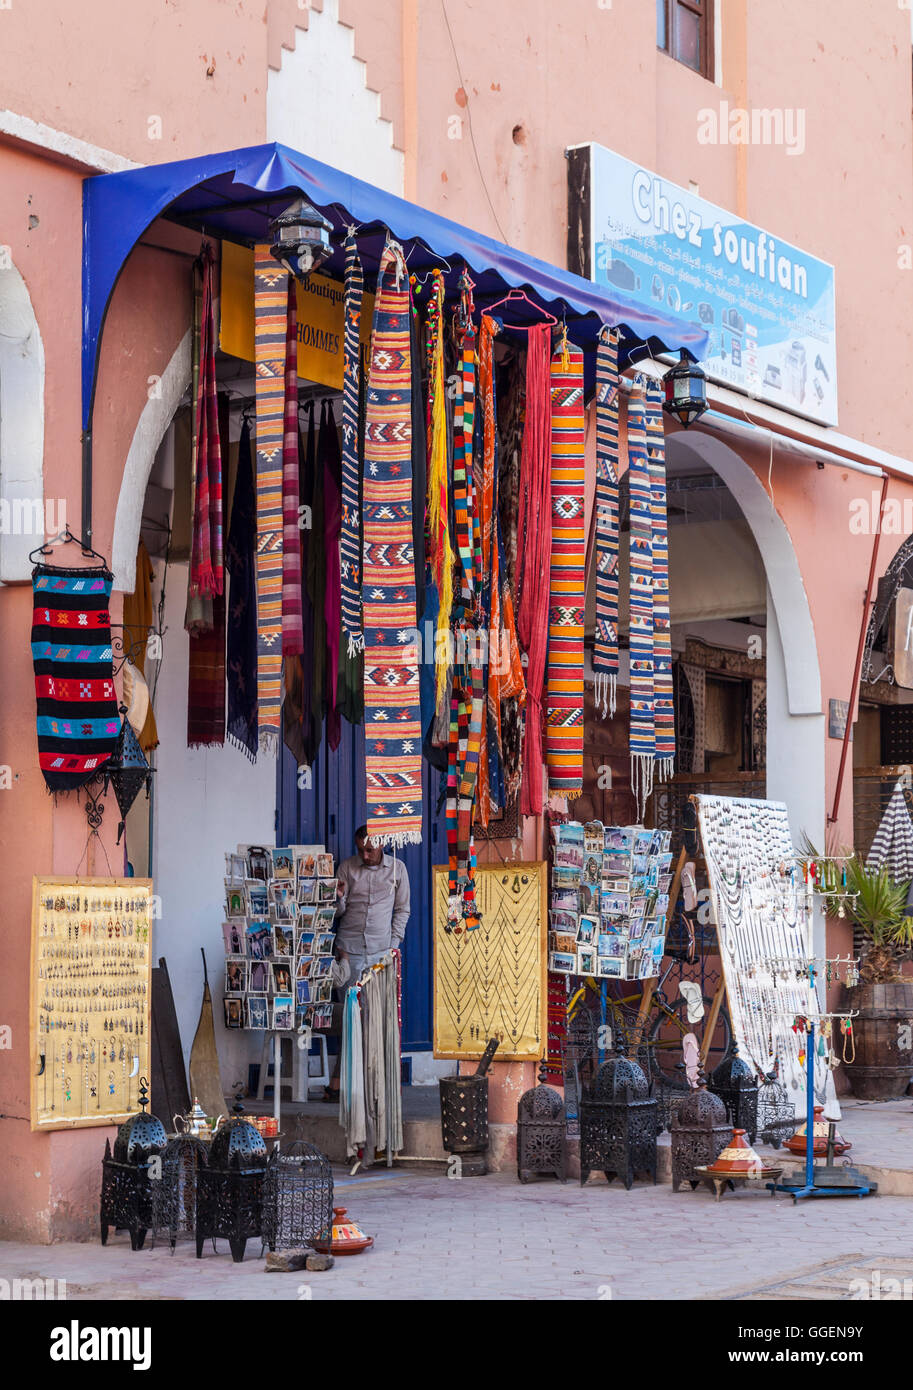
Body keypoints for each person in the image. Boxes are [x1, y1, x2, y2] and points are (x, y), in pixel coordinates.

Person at [323, 826, 410, 1100]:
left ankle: (371, 1086)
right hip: (349, 951)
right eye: (361, 849)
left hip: (380, 954)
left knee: (376, 1021)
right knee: (350, 1019)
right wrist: (339, 897)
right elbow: (337, 913)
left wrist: (392, 946)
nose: (365, 855)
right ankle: (343, 1085)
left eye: (369, 850)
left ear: (381, 844)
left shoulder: (398, 870)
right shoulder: (347, 868)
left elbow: (402, 909)